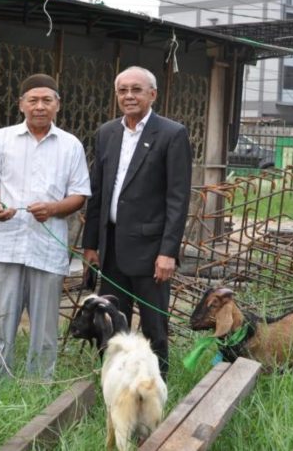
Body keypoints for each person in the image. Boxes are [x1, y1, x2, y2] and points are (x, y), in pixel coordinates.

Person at [82, 66, 192, 380]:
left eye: (136, 89)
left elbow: (177, 198)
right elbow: (98, 192)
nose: (129, 96)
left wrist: (168, 252)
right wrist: (91, 245)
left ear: (152, 94)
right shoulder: (107, 132)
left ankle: (156, 389)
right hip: (112, 247)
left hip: (151, 251)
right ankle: (114, 383)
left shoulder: (172, 134)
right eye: (123, 90)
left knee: (154, 325)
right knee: (111, 322)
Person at [0, 74, 91, 379]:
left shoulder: (70, 145)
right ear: (21, 105)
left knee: (44, 324)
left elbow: (79, 195)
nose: (39, 106)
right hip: (7, 244)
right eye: (33, 100)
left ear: (57, 105)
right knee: (1, 320)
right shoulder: (0, 139)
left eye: (47, 100)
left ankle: (40, 383)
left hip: (47, 246)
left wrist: (54, 208)